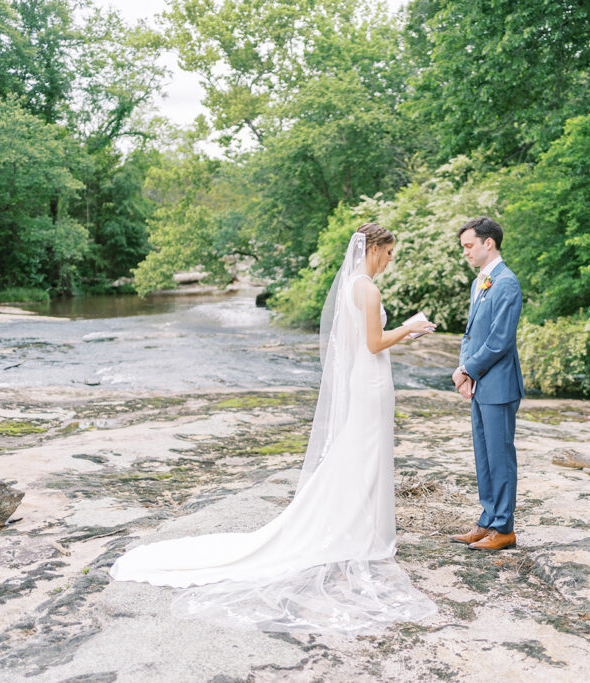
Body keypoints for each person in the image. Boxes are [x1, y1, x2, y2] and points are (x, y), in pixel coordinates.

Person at [109, 223, 438, 635]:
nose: (391, 260)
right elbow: (373, 344)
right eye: (390, 253)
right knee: (366, 454)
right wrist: (411, 327)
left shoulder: (354, 284)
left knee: (361, 454)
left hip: (366, 380)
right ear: (374, 249)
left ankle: (360, 525)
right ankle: (361, 532)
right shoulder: (367, 288)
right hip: (371, 379)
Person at [450, 217, 524, 552]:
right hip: (480, 383)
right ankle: (487, 520)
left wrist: (468, 369)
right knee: (483, 455)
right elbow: (471, 332)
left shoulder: (506, 282)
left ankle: (504, 528)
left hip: (499, 383)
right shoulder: (480, 281)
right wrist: (462, 370)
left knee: (500, 455)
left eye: (469, 245)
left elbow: (500, 340)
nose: (465, 252)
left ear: (488, 243)